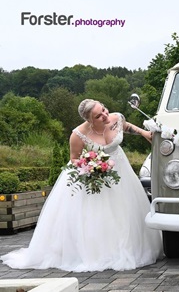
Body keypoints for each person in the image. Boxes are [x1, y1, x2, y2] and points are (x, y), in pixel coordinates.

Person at [1, 99, 163, 272]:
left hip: (121, 172)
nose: (105, 115)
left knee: (125, 210)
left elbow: (125, 125)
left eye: (104, 110)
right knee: (98, 215)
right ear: (89, 120)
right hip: (95, 177)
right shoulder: (78, 135)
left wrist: (144, 133)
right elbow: (74, 158)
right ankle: (102, 252)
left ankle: (128, 246)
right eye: (98, 116)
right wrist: (92, 166)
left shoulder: (116, 117)